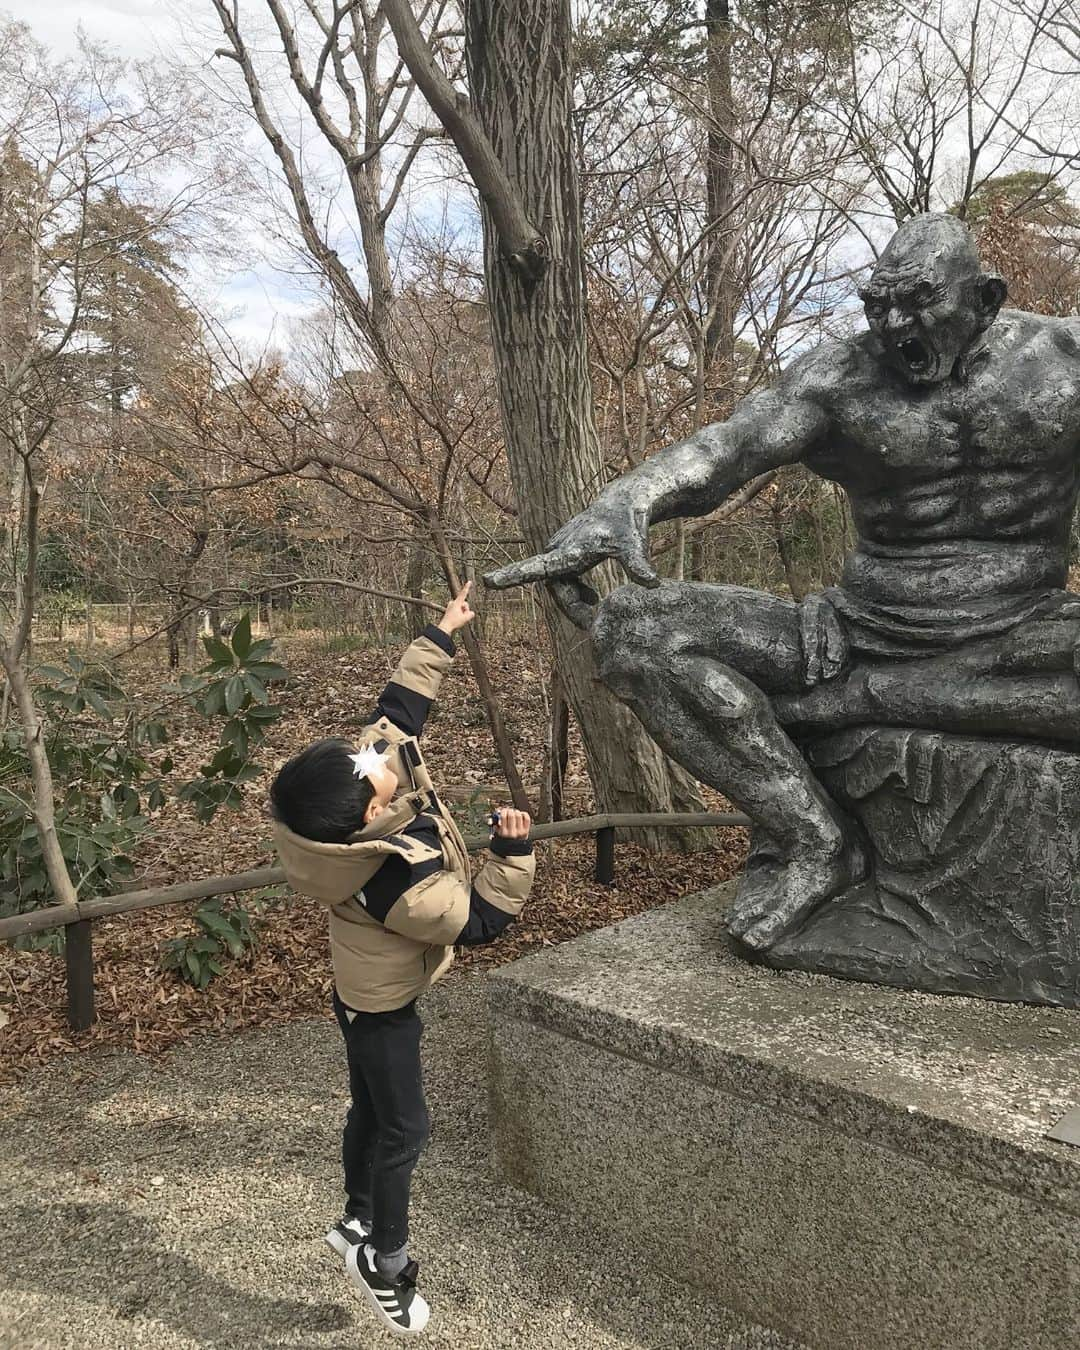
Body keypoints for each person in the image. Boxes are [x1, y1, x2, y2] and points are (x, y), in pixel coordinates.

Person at [486, 211, 1080, 951]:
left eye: (919, 301)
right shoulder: (840, 378)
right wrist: (627, 499)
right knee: (635, 629)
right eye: (877, 303)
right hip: (861, 633)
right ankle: (815, 842)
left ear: (984, 298)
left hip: (1022, 626)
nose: (895, 324)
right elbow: (728, 448)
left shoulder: (1065, 359)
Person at [269, 583, 535, 1337]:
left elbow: (398, 713)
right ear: (365, 815)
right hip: (383, 1011)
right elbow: (479, 921)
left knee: (370, 1110)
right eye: (363, 767)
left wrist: (440, 634)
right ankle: (384, 1262)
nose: (372, 756)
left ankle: (354, 1218)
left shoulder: (348, 813)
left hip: (356, 995)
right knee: (406, 1131)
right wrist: (512, 853)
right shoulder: (394, 881)